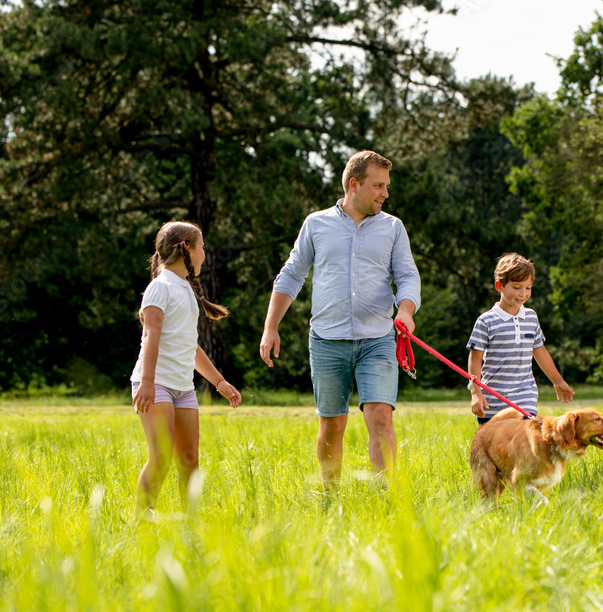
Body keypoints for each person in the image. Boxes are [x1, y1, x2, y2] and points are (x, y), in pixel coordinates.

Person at [259, 150, 420, 488]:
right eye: (378, 186)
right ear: (354, 184)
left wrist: (405, 309)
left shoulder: (393, 228)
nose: (385, 194)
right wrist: (270, 327)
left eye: (386, 186)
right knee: (332, 424)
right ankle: (330, 497)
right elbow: (291, 275)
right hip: (327, 340)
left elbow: (407, 276)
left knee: (381, 418)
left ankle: (386, 497)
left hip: (377, 339)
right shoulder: (316, 224)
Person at [131, 221, 242, 520]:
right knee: (162, 456)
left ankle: (189, 524)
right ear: (187, 249)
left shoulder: (187, 290)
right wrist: (147, 383)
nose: (205, 252)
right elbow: (151, 337)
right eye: (202, 246)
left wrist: (219, 382)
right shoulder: (160, 287)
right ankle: (141, 519)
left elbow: (191, 347)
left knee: (189, 459)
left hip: (183, 388)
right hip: (156, 385)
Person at [467, 253, 574, 424]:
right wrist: (476, 393)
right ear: (499, 286)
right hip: (493, 403)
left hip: (525, 400)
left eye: (528, 287)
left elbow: (540, 353)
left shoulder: (531, 317)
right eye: (516, 287)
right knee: (494, 451)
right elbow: (475, 359)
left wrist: (558, 381)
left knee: (523, 448)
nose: (523, 294)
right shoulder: (486, 321)